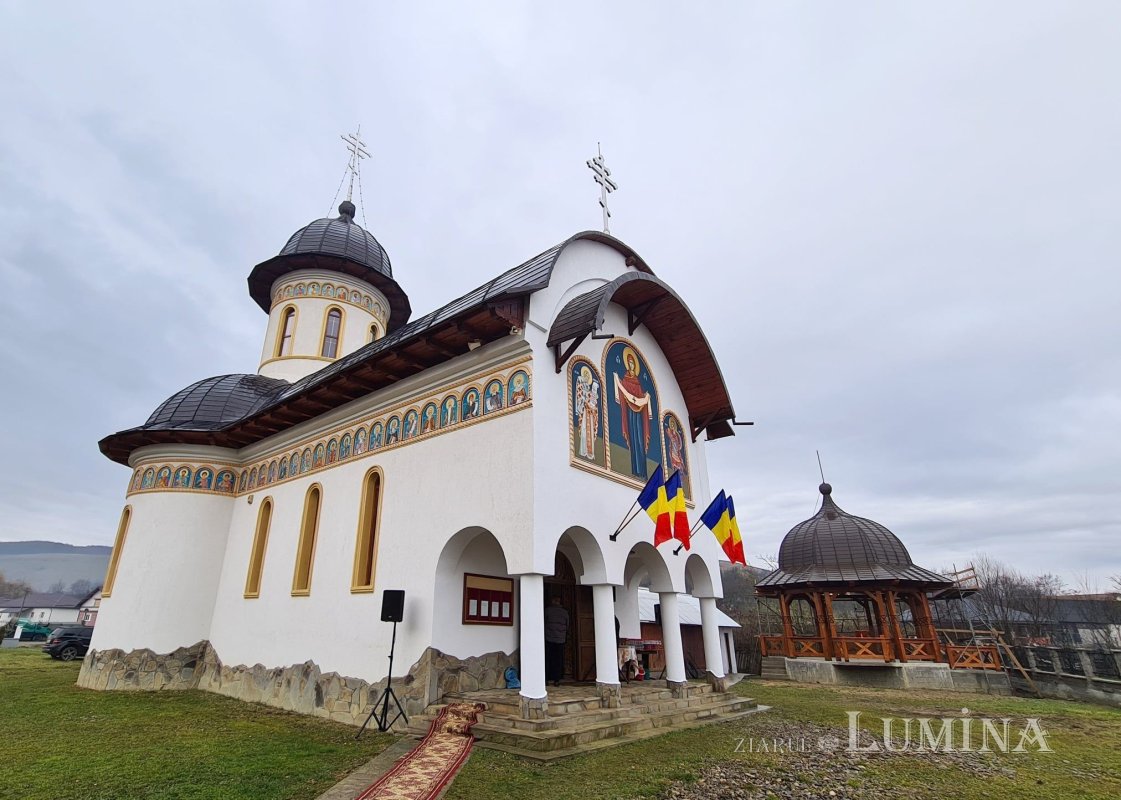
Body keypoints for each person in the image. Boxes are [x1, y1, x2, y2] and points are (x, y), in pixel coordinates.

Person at [543, 595, 569, 687]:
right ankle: (557, 680)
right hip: (561, 640)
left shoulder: (547, 611)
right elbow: (567, 625)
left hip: (548, 638)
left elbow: (543, 623)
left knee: (547, 659)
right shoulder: (565, 612)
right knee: (558, 660)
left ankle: (545, 679)